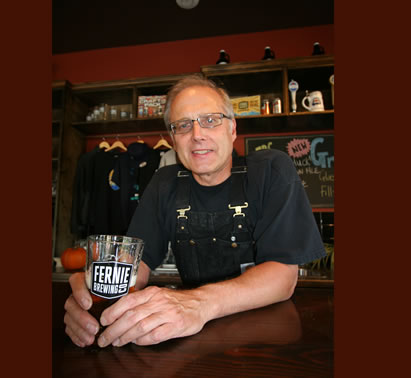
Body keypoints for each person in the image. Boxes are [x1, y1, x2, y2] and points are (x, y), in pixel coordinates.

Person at [63, 74, 326, 348]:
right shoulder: (164, 183)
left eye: (210, 120)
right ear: (174, 139)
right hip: (191, 339)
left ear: (232, 129)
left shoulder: (271, 170)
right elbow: (136, 266)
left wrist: (198, 303)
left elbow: (283, 277)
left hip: (267, 338)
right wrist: (97, 296)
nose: (197, 135)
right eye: (183, 125)